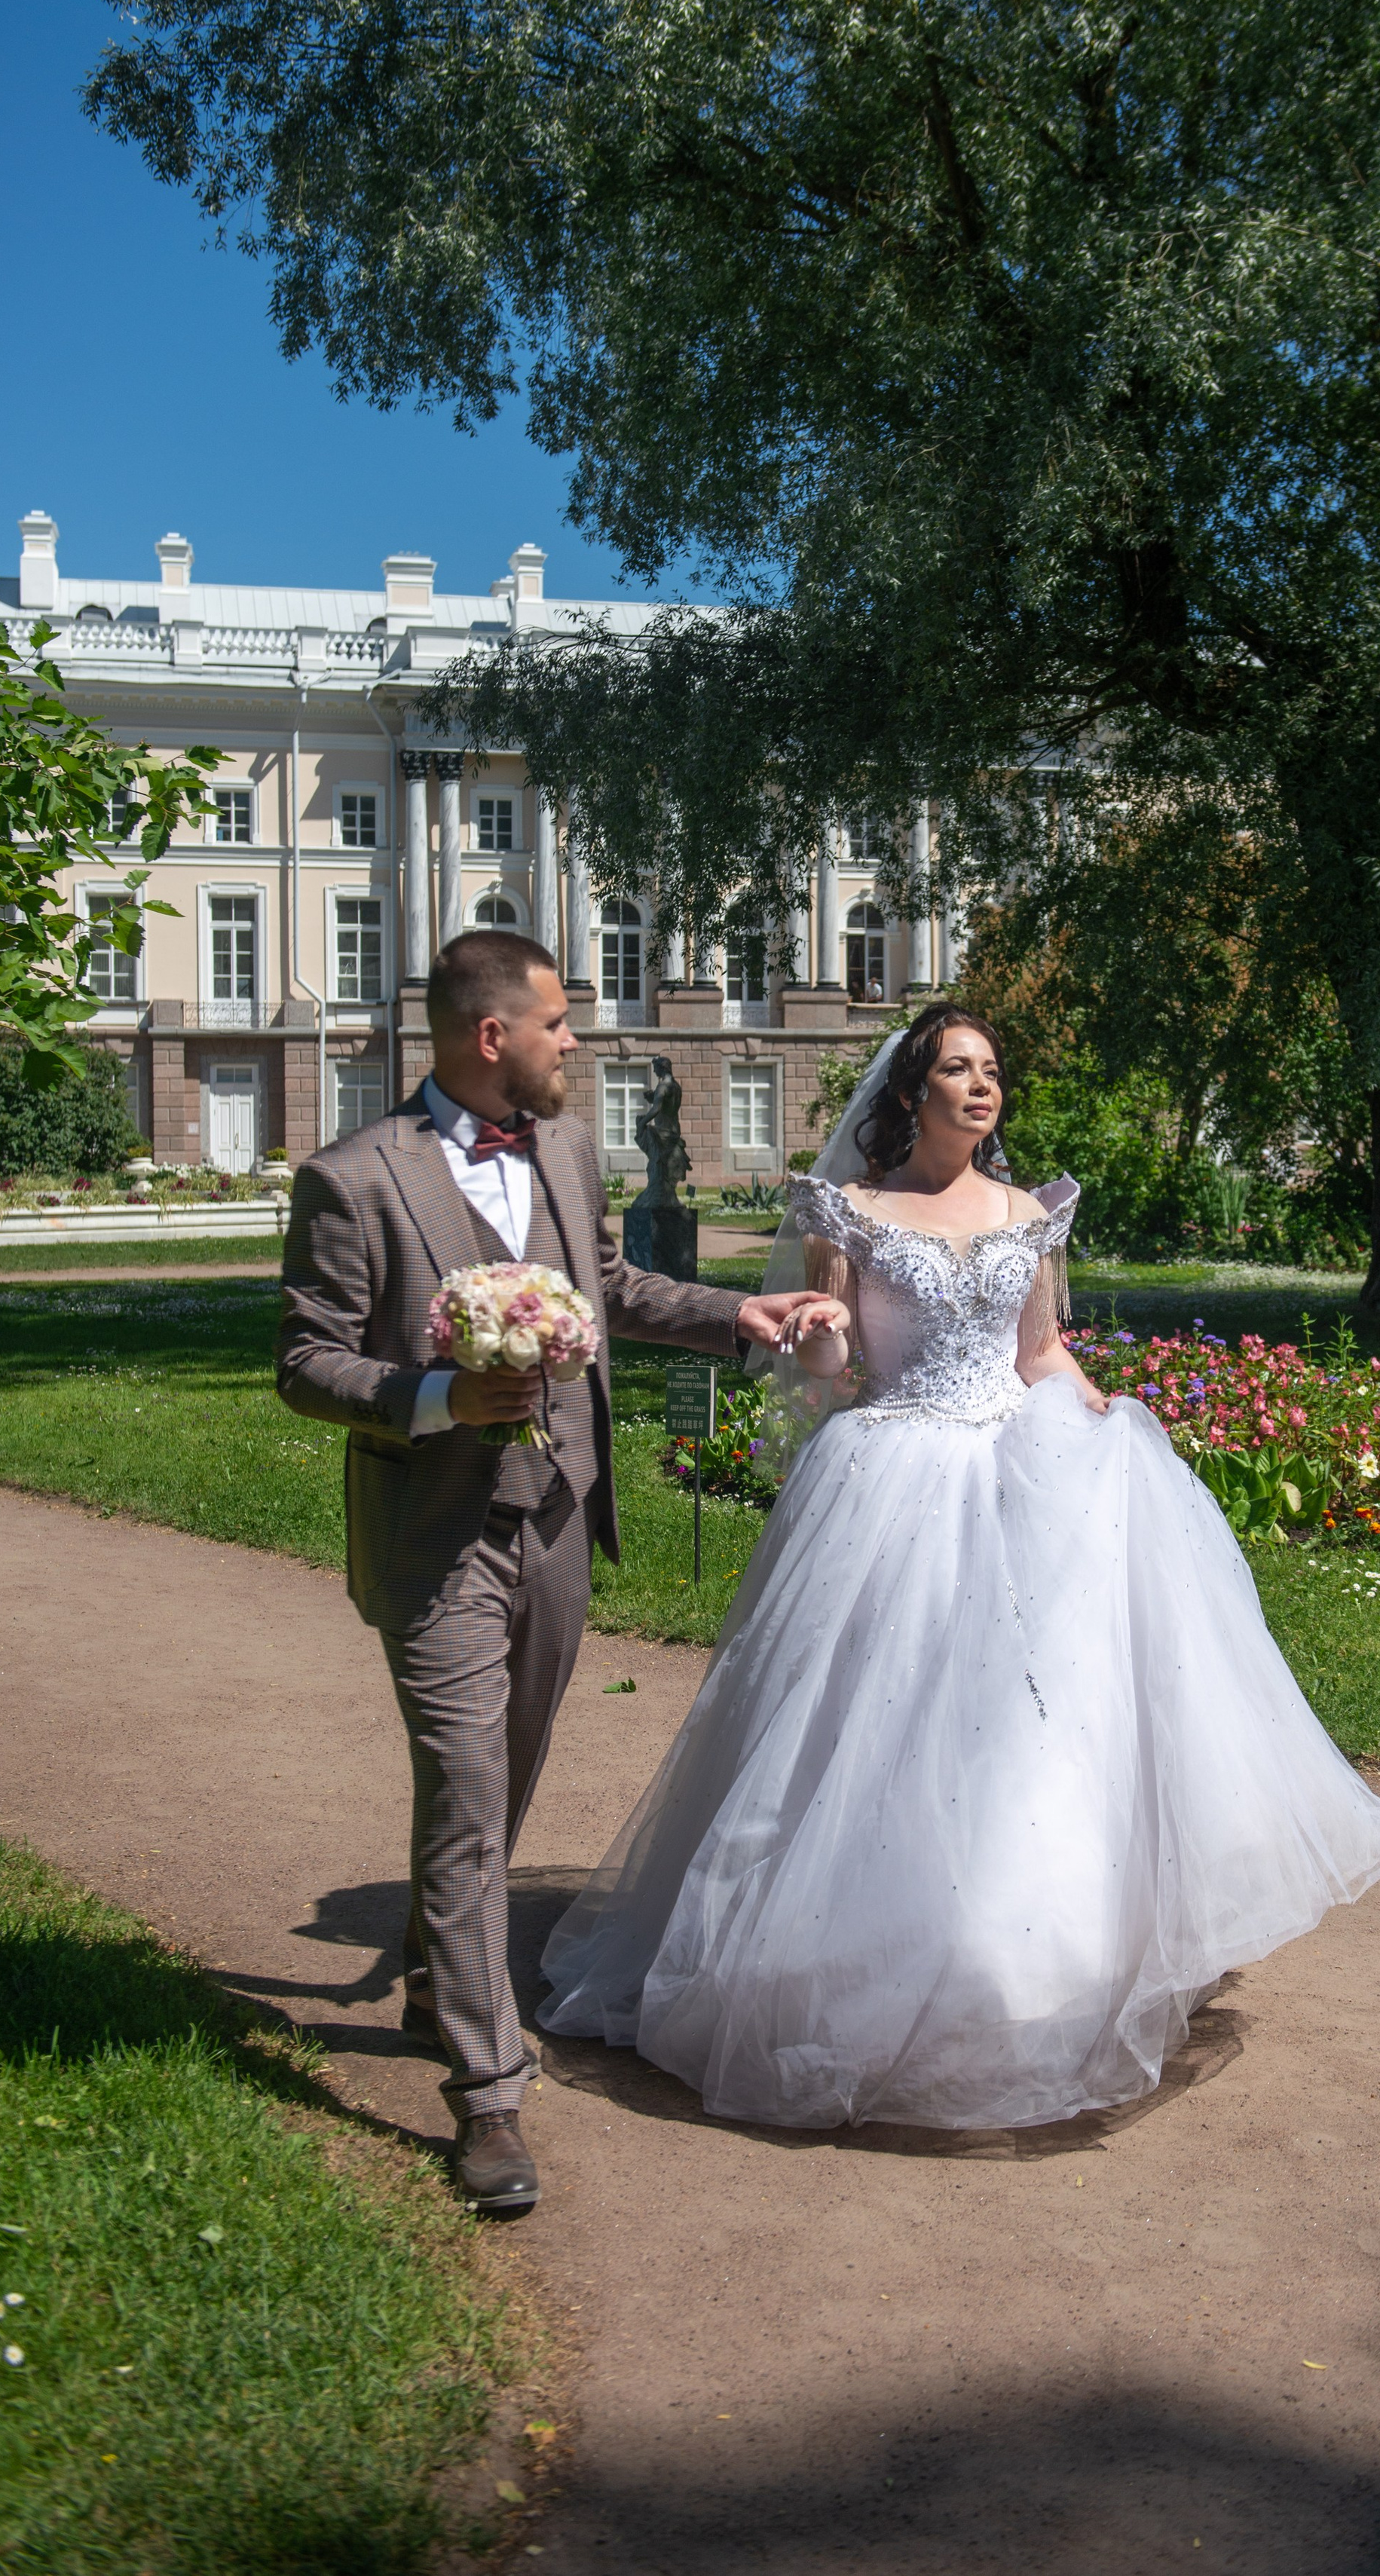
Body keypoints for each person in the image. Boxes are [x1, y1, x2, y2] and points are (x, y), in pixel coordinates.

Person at [540, 1002, 1380, 2131]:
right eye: (957, 1068)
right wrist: (819, 1339)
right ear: (913, 1093)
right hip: (895, 1471)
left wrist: (1112, 1422)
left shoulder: (1029, 1212)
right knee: (872, 1722)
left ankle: (1040, 1960)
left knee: (1031, 1728)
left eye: (991, 1070)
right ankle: (850, 1946)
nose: (982, 1087)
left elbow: (1040, 1352)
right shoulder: (846, 1209)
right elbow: (837, 1360)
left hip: (1022, 1465)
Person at [276, 929, 846, 2210]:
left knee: (511, 1771)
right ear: (494, 1038)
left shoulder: (568, 1150)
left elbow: (613, 1286)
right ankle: (488, 2096)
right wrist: (436, 1395)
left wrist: (734, 1314)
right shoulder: (354, 1180)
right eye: (559, 1025)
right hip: (433, 1538)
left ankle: (436, 1961)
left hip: (557, 1517)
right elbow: (306, 1366)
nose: (574, 1044)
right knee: (469, 1796)